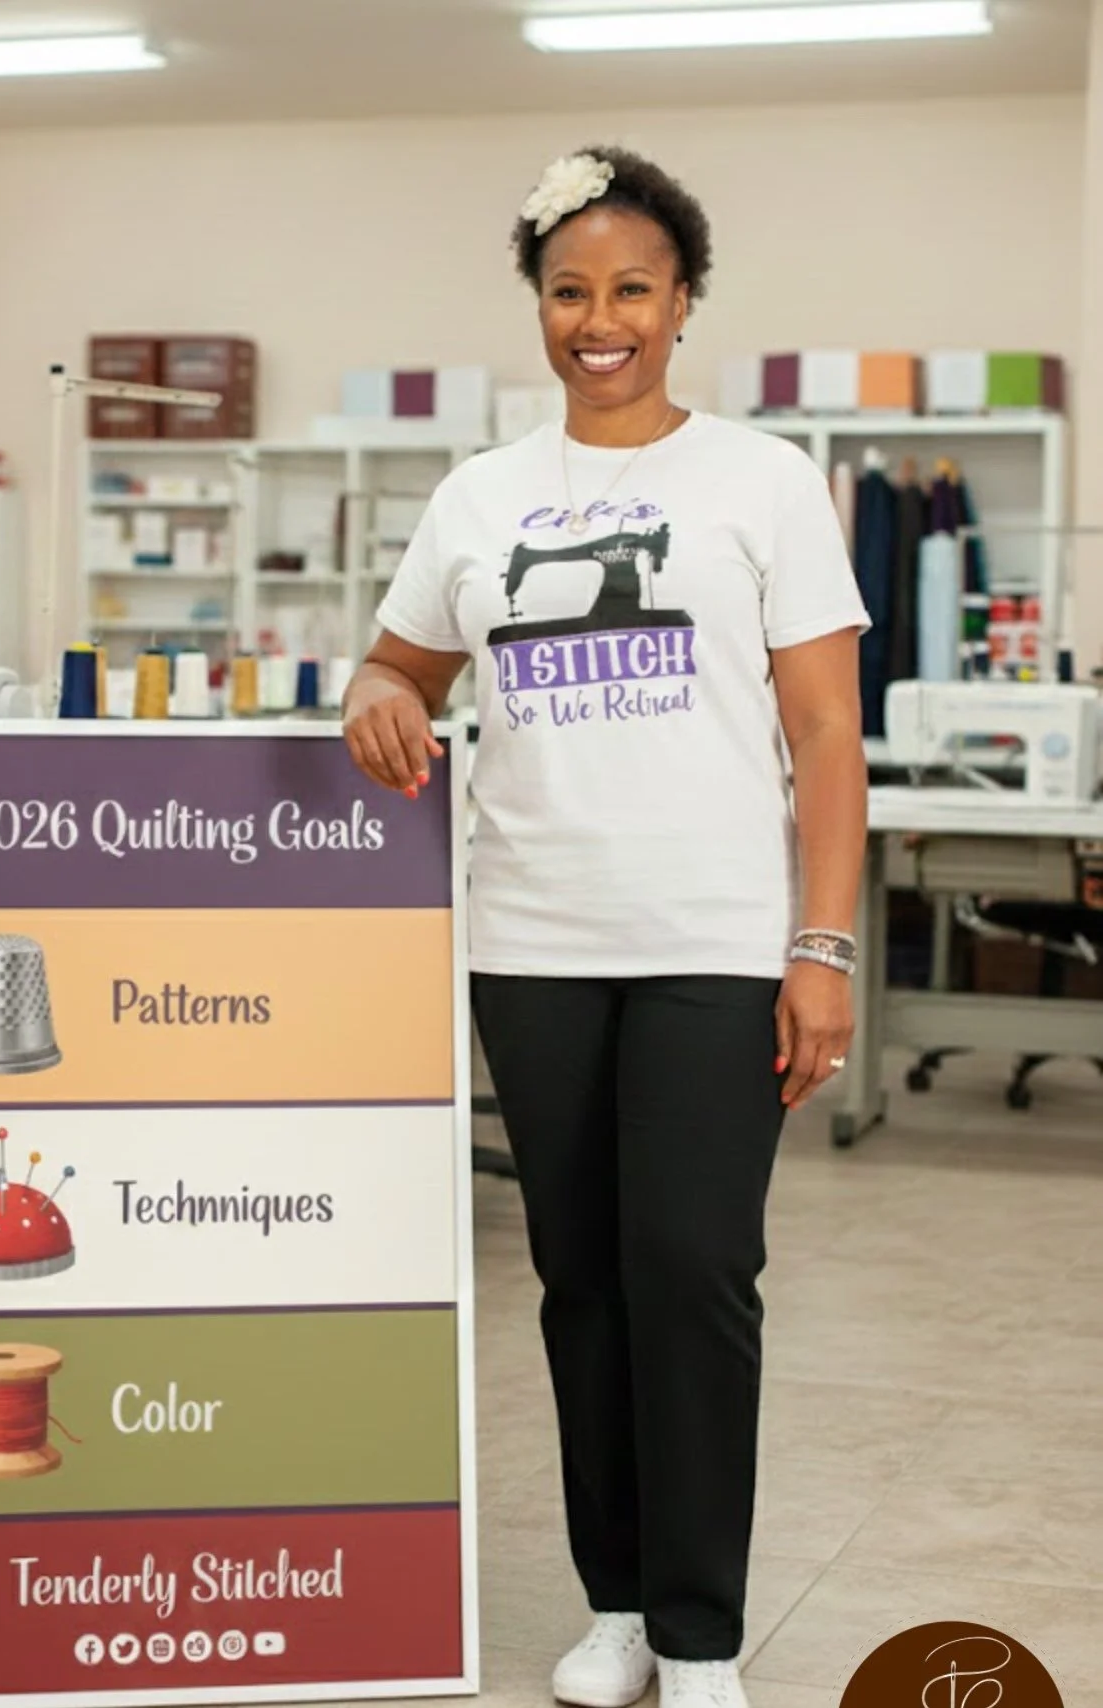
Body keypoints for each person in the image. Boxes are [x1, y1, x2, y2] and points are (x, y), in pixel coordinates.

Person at [342, 145, 870, 1708]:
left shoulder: (760, 480)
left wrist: (822, 947)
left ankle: (700, 1633)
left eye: (631, 289)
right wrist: (374, 690)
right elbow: (399, 665)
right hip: (532, 942)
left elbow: (824, 736)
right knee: (581, 1283)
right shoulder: (479, 496)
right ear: (538, 305)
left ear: (681, 301)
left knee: (692, 1273)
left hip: (713, 940)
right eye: (570, 290)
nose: (599, 319)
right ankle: (619, 1604)